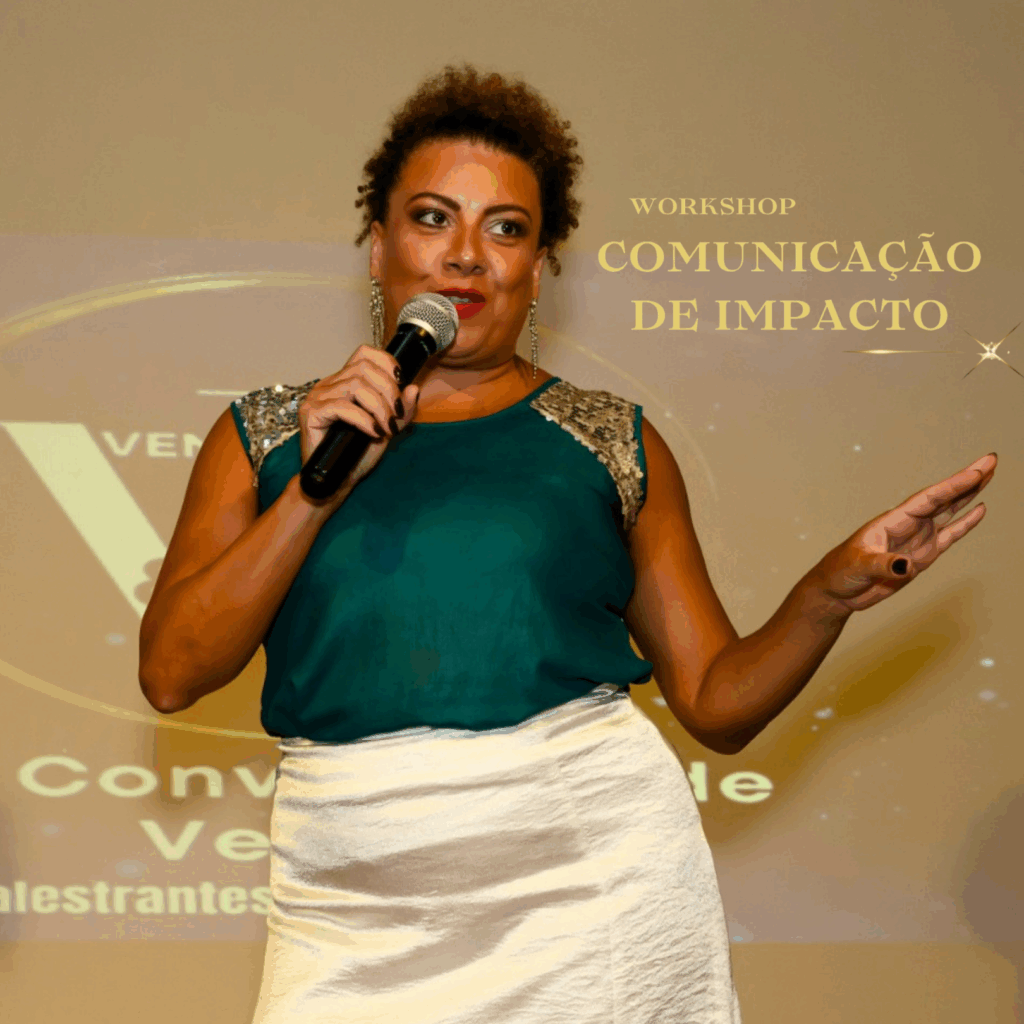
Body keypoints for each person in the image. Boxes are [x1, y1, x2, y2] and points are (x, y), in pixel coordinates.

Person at [138, 65, 997, 1024]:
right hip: (346, 908)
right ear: (378, 248)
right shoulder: (265, 436)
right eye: (433, 219)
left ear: (538, 268)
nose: (467, 255)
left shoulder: (611, 441)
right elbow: (171, 674)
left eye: (506, 229)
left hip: (593, 887)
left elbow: (718, 706)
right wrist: (316, 488)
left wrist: (826, 595)